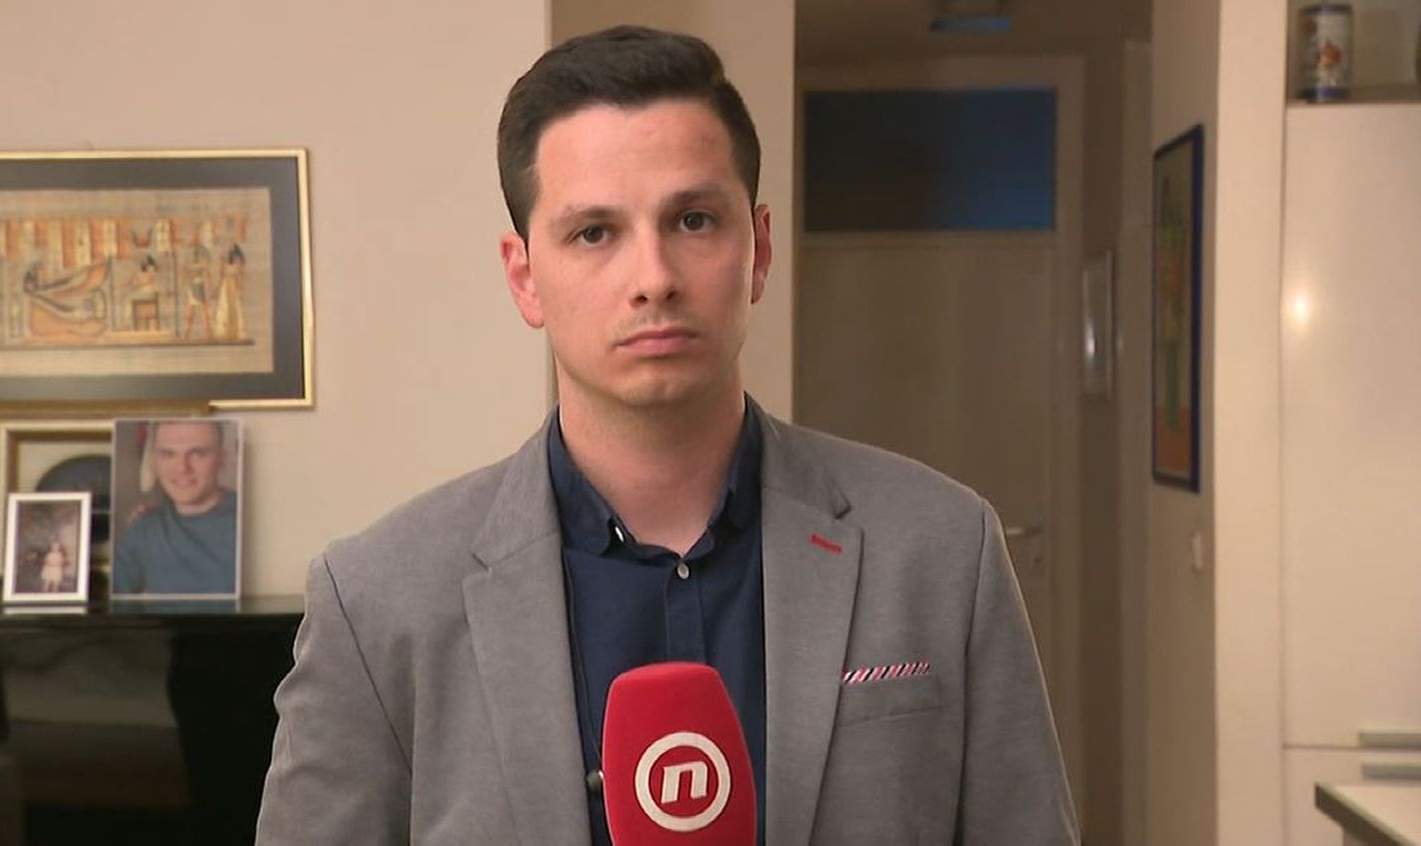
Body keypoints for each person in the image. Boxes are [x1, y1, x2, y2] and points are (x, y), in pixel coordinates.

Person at [257, 26, 1077, 845]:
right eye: (594, 232)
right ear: (525, 276)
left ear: (758, 250)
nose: (653, 278)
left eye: (692, 220)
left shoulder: (939, 548)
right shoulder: (378, 601)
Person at [112, 420, 238, 596]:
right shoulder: (144, 528)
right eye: (168, 454)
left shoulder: (246, 519)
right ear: (154, 461)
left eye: (197, 454)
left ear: (222, 459)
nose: (182, 468)